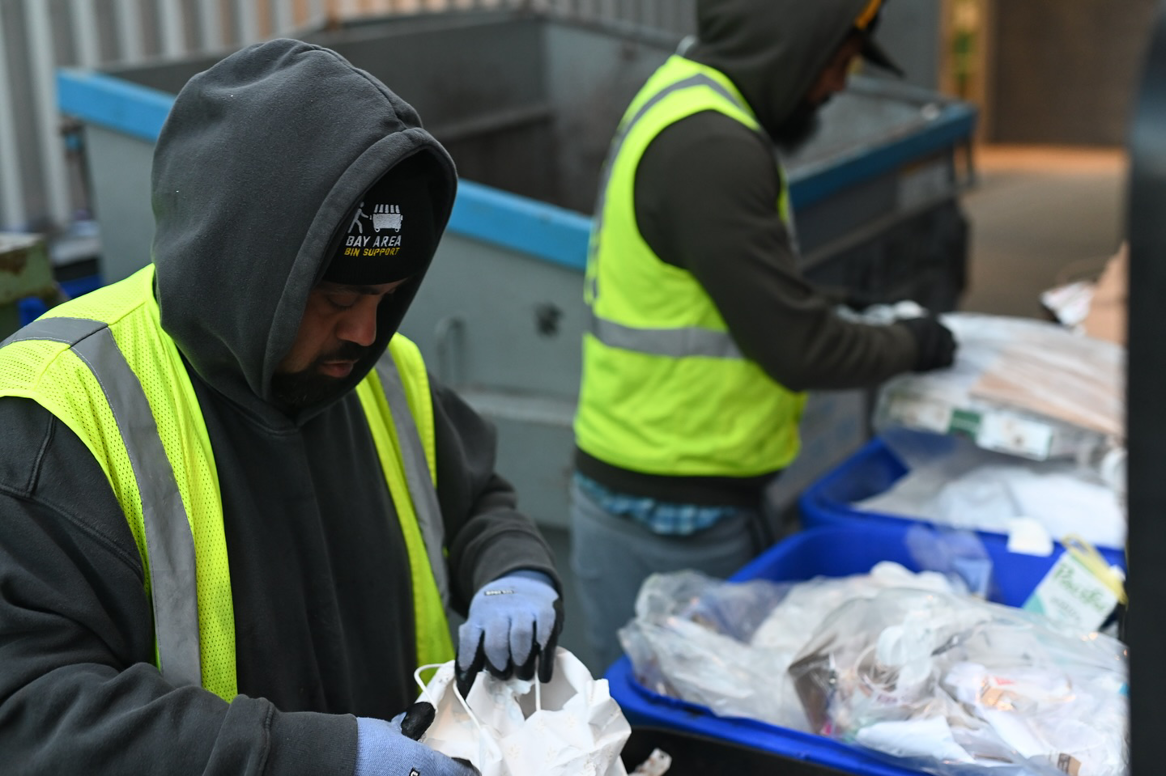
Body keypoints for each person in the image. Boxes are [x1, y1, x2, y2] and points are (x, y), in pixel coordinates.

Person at [0, 39, 562, 775]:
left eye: (386, 298)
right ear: (246, 271)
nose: (365, 333)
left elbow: (476, 499)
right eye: (335, 299)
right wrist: (320, 759)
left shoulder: (387, 373)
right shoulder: (58, 410)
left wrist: (512, 568)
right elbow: (33, 709)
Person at [571, 0, 959, 668]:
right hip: (674, 514)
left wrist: (837, 305)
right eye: (837, 61)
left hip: (666, 485)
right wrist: (916, 344)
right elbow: (799, 349)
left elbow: (715, 295)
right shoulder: (712, 147)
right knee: (679, 717)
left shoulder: (685, 100)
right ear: (791, 41)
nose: (837, 84)